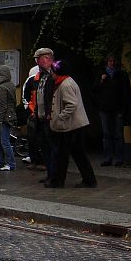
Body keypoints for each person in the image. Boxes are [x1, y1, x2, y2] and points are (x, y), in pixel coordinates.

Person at [49, 59, 97, 188]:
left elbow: (71, 104)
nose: (51, 74)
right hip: (75, 124)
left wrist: (60, 117)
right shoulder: (66, 82)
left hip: (71, 126)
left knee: (63, 154)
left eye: (52, 71)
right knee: (78, 153)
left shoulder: (65, 84)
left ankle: (58, 181)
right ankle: (89, 180)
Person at [92, 53, 130, 167]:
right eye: (110, 61)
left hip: (117, 108)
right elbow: (94, 89)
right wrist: (101, 81)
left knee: (118, 134)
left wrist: (124, 108)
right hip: (104, 108)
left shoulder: (121, 75)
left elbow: (125, 92)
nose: (112, 63)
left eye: (113, 61)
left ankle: (119, 158)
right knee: (106, 133)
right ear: (107, 62)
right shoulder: (101, 74)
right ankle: (107, 157)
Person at [29, 47, 57, 185]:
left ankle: (54, 175)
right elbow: (36, 96)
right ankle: (50, 174)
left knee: (52, 148)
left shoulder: (54, 75)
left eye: (39, 58)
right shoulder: (39, 77)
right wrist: (35, 111)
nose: (37, 62)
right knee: (44, 147)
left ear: (48, 59)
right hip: (40, 118)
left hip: (49, 118)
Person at [0, 65, 17, 171]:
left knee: (4, 141)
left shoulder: (2, 87)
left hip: (5, 117)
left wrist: (0, 119)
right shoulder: (10, 84)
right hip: (10, 115)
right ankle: (0, 162)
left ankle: (11, 163)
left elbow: (2, 105)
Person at [21, 65, 43, 167]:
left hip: (41, 114)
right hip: (33, 113)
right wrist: (31, 110)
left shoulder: (46, 79)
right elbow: (25, 97)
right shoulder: (31, 81)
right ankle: (35, 160)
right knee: (32, 138)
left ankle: (42, 161)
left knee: (41, 138)